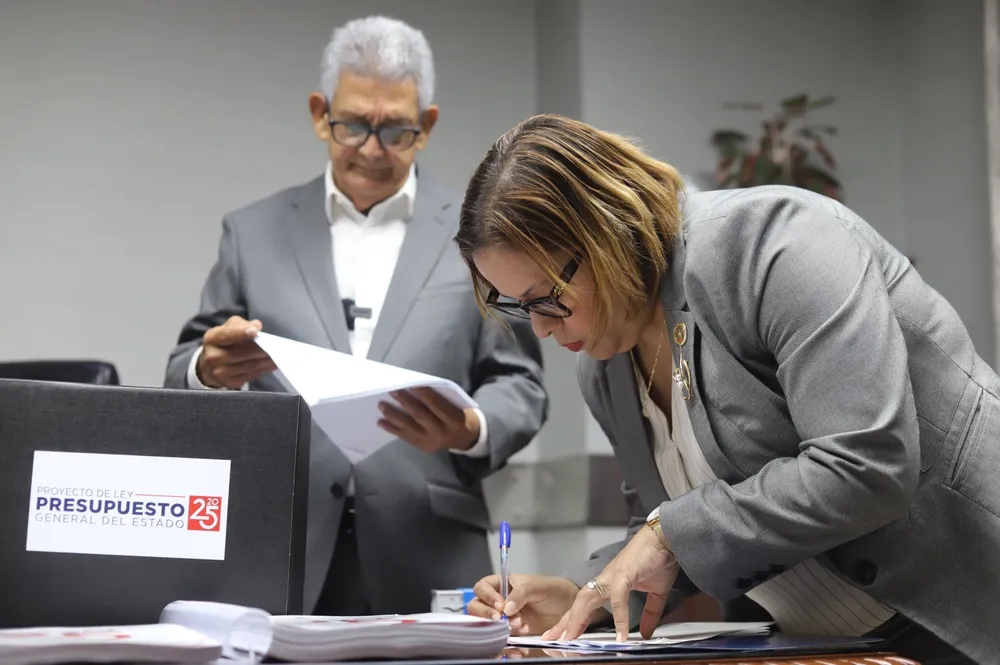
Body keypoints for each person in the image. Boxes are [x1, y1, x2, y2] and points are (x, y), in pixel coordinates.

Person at [456, 114, 996, 664]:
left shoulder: (775, 243)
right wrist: (582, 593)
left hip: (969, 613)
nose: (542, 329)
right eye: (518, 307)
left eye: (546, 297)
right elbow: (662, 528)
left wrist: (668, 535)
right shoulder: (603, 367)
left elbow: (866, 465)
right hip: (832, 648)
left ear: (606, 231)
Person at [163, 16, 547, 616]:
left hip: (430, 546)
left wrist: (471, 427)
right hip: (280, 541)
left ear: (427, 126)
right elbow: (187, 360)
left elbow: (520, 381)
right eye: (352, 126)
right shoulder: (253, 231)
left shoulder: (479, 234)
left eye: (395, 129)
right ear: (320, 114)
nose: (371, 149)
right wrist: (208, 369)